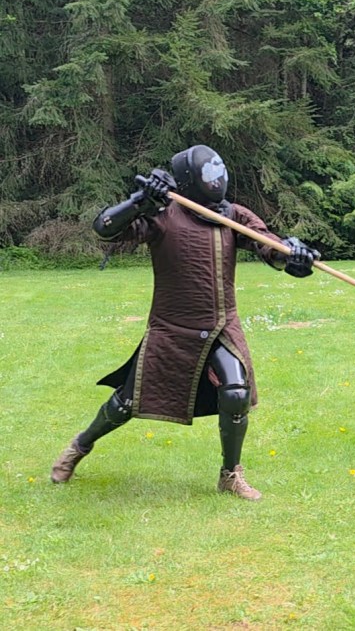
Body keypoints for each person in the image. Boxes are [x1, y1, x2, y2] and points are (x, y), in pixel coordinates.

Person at [50, 144, 320, 500]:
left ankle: (230, 474)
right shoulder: (163, 214)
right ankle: (80, 446)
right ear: (190, 181)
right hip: (172, 328)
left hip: (221, 323)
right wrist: (139, 201)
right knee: (127, 402)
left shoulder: (233, 215)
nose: (216, 180)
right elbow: (105, 228)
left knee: (236, 392)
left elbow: (267, 244)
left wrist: (291, 254)